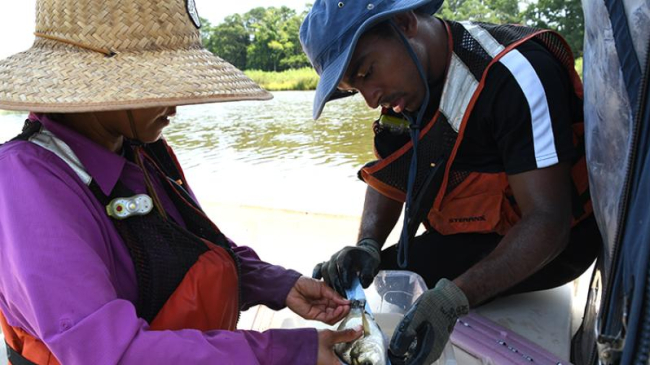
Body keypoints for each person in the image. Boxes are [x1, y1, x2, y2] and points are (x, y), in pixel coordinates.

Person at [0, 0, 363, 364]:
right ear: (100, 85)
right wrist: (289, 352)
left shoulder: (141, 151)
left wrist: (278, 284)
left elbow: (193, 243)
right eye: (163, 83)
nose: (177, 104)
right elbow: (112, 353)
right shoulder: (27, 182)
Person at [300, 0, 600, 363]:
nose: (370, 99)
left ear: (406, 21)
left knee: (409, 294)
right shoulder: (402, 91)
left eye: (366, 72)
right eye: (354, 88)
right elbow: (392, 173)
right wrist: (367, 244)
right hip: (472, 233)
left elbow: (549, 221)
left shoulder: (514, 74)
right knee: (363, 281)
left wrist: (453, 300)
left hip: (553, 246)